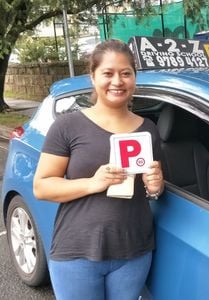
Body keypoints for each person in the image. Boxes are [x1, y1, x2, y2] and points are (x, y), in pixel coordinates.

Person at [33, 39, 164, 300]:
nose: (118, 81)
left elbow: (151, 189)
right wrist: (93, 182)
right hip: (77, 252)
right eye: (108, 73)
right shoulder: (67, 126)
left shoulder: (148, 127)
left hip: (134, 250)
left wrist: (156, 186)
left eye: (126, 73)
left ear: (134, 78)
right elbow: (42, 186)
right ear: (93, 77)